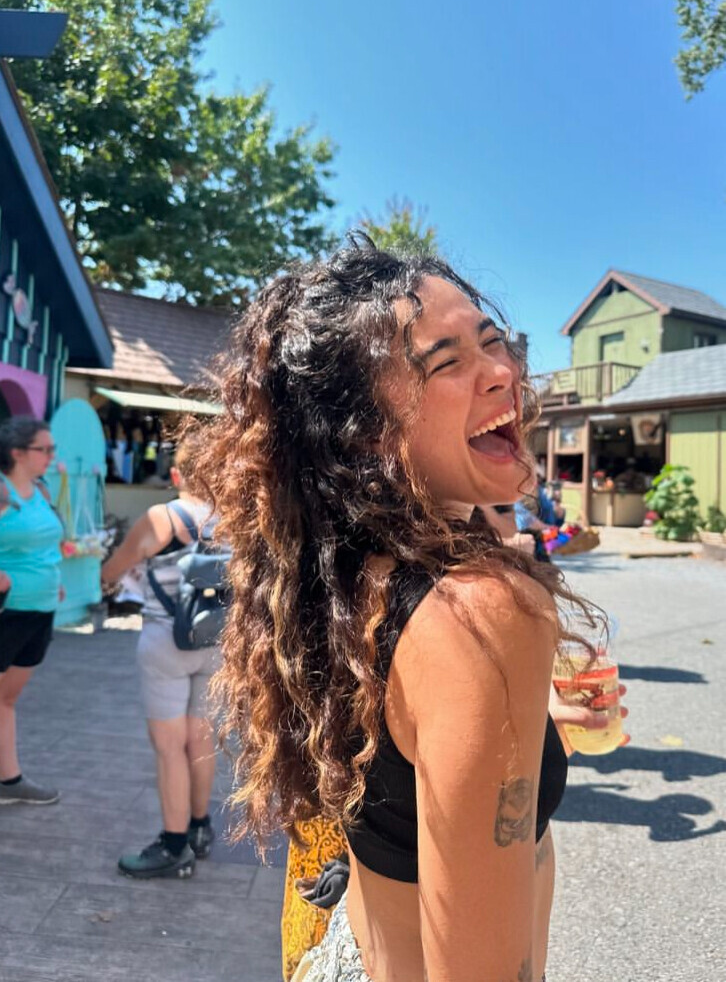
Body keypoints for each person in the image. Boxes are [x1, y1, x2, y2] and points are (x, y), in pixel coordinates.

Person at [192, 236, 607, 982]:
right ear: (367, 439)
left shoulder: (348, 576)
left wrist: (528, 723)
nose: (505, 373)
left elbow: (402, 769)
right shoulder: (482, 614)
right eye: (446, 363)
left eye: (492, 342)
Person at [101, 433, 218, 879]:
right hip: (217, 643)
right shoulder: (237, 518)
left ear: (176, 474)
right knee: (200, 739)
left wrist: (112, 575)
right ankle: (200, 828)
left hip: (167, 642)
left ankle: (173, 846)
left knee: (169, 747)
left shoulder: (162, 517)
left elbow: (113, 570)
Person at [0, 416, 63, 806]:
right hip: (8, 612)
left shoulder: (40, 490)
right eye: (45, 449)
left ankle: (8, 781)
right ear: (18, 453)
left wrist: (54, 579)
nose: (51, 456)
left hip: (40, 610)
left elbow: (47, 544)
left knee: (6, 699)